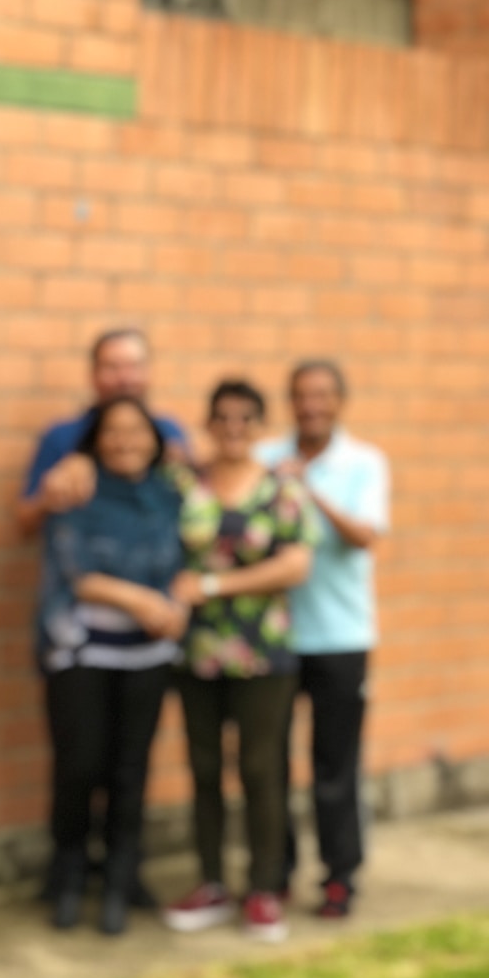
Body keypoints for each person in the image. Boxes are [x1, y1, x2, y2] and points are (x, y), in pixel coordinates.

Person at [163, 381, 315, 944]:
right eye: (222, 417)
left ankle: (264, 889)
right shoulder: (185, 484)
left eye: (245, 419)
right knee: (204, 769)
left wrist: (211, 583)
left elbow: (295, 565)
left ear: (260, 426)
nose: (233, 428)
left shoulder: (282, 488)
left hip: (263, 655)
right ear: (208, 422)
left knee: (259, 769)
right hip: (197, 654)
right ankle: (209, 881)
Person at [36, 398, 186, 936]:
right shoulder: (77, 486)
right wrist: (141, 601)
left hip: (148, 656)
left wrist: (175, 605)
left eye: (137, 431)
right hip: (83, 651)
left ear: (156, 438)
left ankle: (122, 881)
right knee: (80, 768)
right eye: (114, 431)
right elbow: (77, 571)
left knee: (131, 770)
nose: (126, 440)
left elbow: (191, 559)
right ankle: (69, 876)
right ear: (96, 439)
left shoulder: (173, 493)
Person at [257, 360, 389, 919]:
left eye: (321, 396)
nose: (311, 405)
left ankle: (340, 876)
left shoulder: (363, 462)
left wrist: (307, 492)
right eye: (301, 396)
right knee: (271, 764)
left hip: (341, 637)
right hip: (277, 637)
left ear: (339, 401)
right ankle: (276, 872)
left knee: (336, 764)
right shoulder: (266, 458)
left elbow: (363, 538)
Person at [15, 328, 188, 540]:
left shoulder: (168, 432)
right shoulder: (62, 437)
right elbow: (25, 522)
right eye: (112, 367)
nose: (124, 379)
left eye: (134, 366)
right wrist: (50, 496)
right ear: (93, 374)